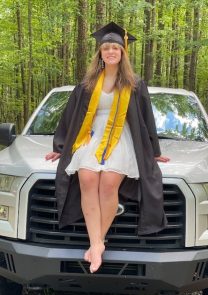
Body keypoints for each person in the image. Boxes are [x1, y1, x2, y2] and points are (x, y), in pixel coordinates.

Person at [45, 22, 169, 274]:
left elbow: (146, 119)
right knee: (87, 179)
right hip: (90, 137)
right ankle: (97, 244)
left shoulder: (134, 84)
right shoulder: (88, 84)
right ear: (100, 53)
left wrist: (153, 152)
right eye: (106, 48)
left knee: (109, 184)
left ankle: (96, 244)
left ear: (123, 53)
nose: (111, 51)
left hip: (121, 138)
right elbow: (69, 116)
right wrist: (61, 146)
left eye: (115, 47)